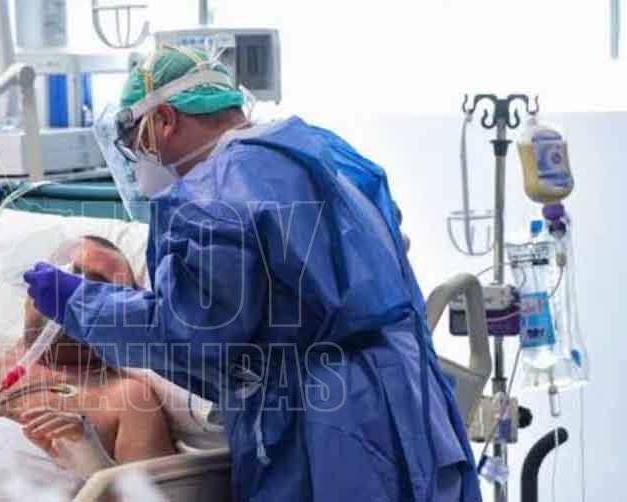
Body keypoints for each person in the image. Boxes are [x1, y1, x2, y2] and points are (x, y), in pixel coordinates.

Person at [24, 46, 481, 501]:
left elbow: (190, 334)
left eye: (136, 143)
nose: (138, 160)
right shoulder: (319, 151)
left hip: (331, 433)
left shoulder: (211, 196)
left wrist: (78, 301)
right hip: (411, 397)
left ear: (163, 120)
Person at [0, 235, 175, 470]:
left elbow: (152, 495)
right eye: (65, 274)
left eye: (97, 286)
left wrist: (90, 459)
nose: (71, 290)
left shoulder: (126, 399)